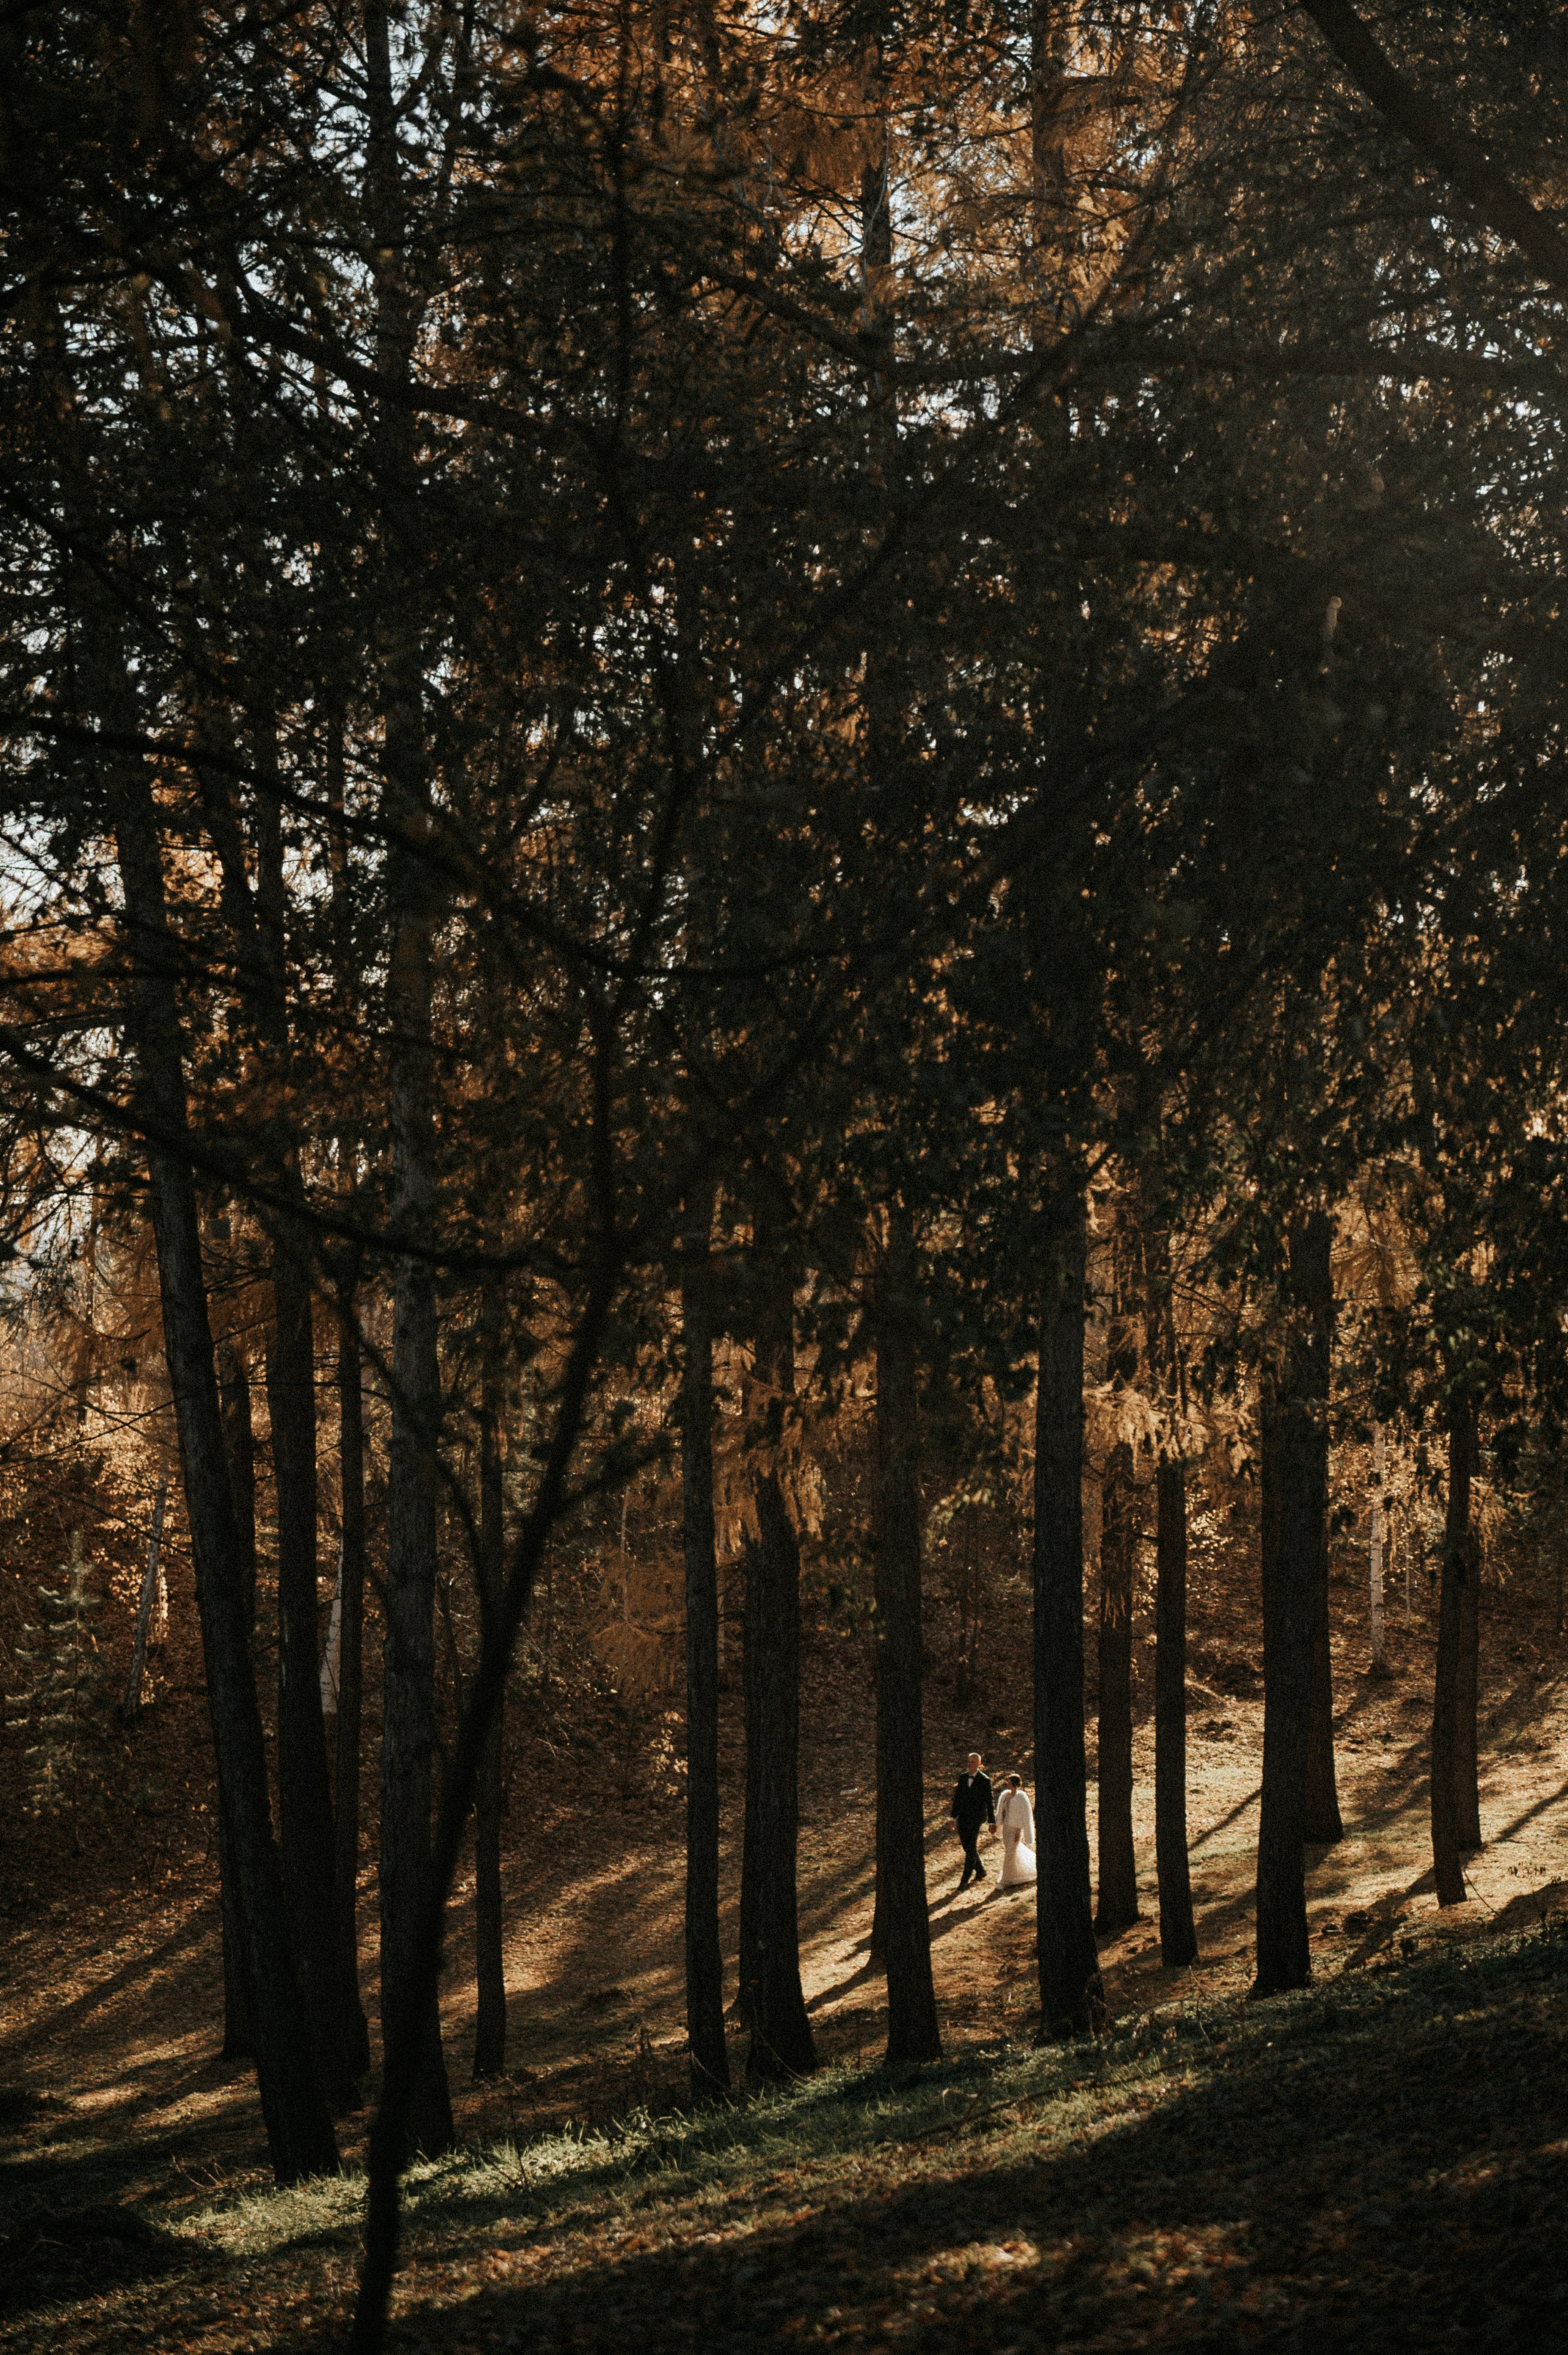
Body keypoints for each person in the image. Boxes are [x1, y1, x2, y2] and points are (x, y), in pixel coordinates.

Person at [949, 1752, 995, 1891]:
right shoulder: (963, 1778)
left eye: (973, 1762)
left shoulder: (985, 1780)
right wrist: (952, 1817)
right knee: (967, 1847)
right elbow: (957, 1799)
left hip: (976, 1819)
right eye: (969, 1761)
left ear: (979, 1764)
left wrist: (992, 1822)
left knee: (971, 1849)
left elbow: (989, 1802)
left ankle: (964, 1880)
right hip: (962, 1817)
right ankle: (980, 1870)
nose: (970, 1764)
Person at [997, 1773, 1037, 1888]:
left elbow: (1024, 1815)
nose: (1007, 1785)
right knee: (1012, 1852)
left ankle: (1005, 1880)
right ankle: (1018, 1872)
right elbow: (1001, 1812)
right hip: (1006, 1829)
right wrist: (998, 1824)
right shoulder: (1005, 1795)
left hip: (1016, 1829)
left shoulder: (1021, 1797)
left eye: (1009, 1782)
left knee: (1011, 1851)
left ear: (1014, 1783)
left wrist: (1019, 1831)